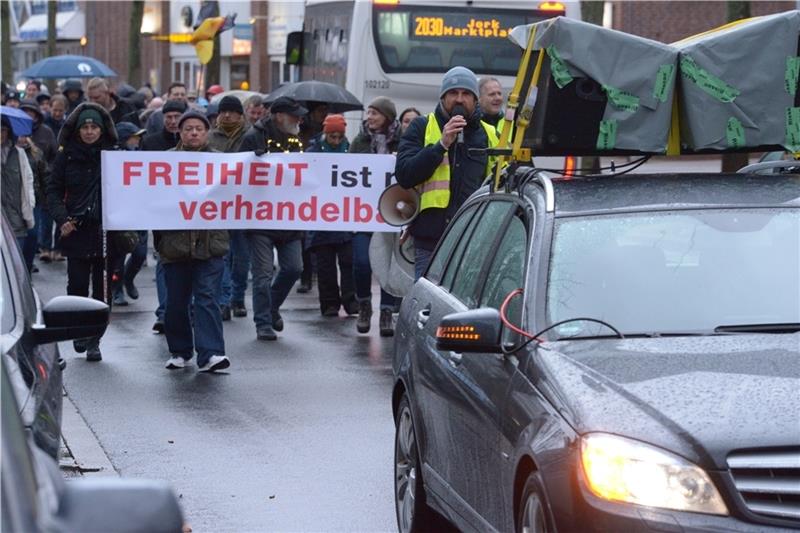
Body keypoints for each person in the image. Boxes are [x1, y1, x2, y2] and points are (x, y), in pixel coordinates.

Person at [396, 66, 499, 279]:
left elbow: (500, 182)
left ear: (475, 99)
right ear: (443, 98)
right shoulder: (421, 126)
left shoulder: (490, 134)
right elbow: (405, 175)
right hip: (430, 241)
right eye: (453, 93)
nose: (459, 100)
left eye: (466, 94)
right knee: (427, 306)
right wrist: (441, 145)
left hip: (472, 239)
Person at [156, 109, 230, 373]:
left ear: (207, 132)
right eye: (189, 129)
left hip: (211, 243)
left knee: (207, 297)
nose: (194, 133)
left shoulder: (223, 162)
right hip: (175, 244)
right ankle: (180, 350)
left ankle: (211, 353)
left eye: (199, 128)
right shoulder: (165, 163)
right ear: (180, 132)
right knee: (176, 300)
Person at [46, 103, 119, 361]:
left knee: (102, 289)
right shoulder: (65, 157)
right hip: (76, 230)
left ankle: (94, 338)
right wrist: (62, 218)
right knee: (77, 286)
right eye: (85, 127)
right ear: (78, 131)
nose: (89, 132)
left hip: (105, 232)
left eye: (94, 127)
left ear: (102, 130)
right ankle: (79, 329)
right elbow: (52, 191)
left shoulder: (114, 155)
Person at [239, 96, 306, 340]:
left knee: (293, 268)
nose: (299, 119)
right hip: (260, 219)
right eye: (294, 114)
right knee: (263, 273)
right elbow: (239, 175)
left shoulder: (296, 138)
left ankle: (271, 305)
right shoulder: (252, 138)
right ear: (279, 116)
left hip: (289, 217)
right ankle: (263, 323)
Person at [349, 96, 401, 336]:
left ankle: (387, 311)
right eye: (368, 113)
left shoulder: (402, 141)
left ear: (387, 116)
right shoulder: (358, 142)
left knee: (389, 263)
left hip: (391, 212)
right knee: (361, 261)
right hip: (363, 213)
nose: (369, 117)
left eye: (374, 113)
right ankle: (364, 304)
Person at [140, 99, 187, 332]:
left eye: (177, 116)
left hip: (189, 212)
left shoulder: (194, 145)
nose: (172, 121)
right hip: (161, 210)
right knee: (163, 259)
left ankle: (182, 309)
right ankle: (164, 311)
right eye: (168, 116)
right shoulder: (150, 143)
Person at [306, 114, 358, 317]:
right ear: (325, 135)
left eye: (339, 136)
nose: (336, 141)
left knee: (348, 262)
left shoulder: (352, 152)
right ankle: (329, 303)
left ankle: (350, 300)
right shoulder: (312, 153)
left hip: (344, 217)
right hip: (320, 219)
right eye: (332, 137)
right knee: (325, 266)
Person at [208, 95, 251, 321]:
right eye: (223, 111)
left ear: (240, 115)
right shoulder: (210, 138)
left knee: (242, 256)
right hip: (218, 205)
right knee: (221, 254)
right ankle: (223, 300)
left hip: (244, 204)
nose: (226, 115)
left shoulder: (251, 136)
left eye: (231, 111)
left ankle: (238, 297)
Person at [110, 122, 148, 307]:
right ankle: (116, 289)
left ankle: (128, 278)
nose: (138, 140)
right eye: (135, 137)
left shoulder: (143, 157)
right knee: (118, 256)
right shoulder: (112, 158)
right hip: (120, 213)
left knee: (140, 253)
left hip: (140, 212)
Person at [1, 116, 37, 272]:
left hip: (16, 219)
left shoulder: (19, 154)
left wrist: (30, 205)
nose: (0, 134)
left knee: (17, 269)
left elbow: (28, 181)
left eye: (3, 130)